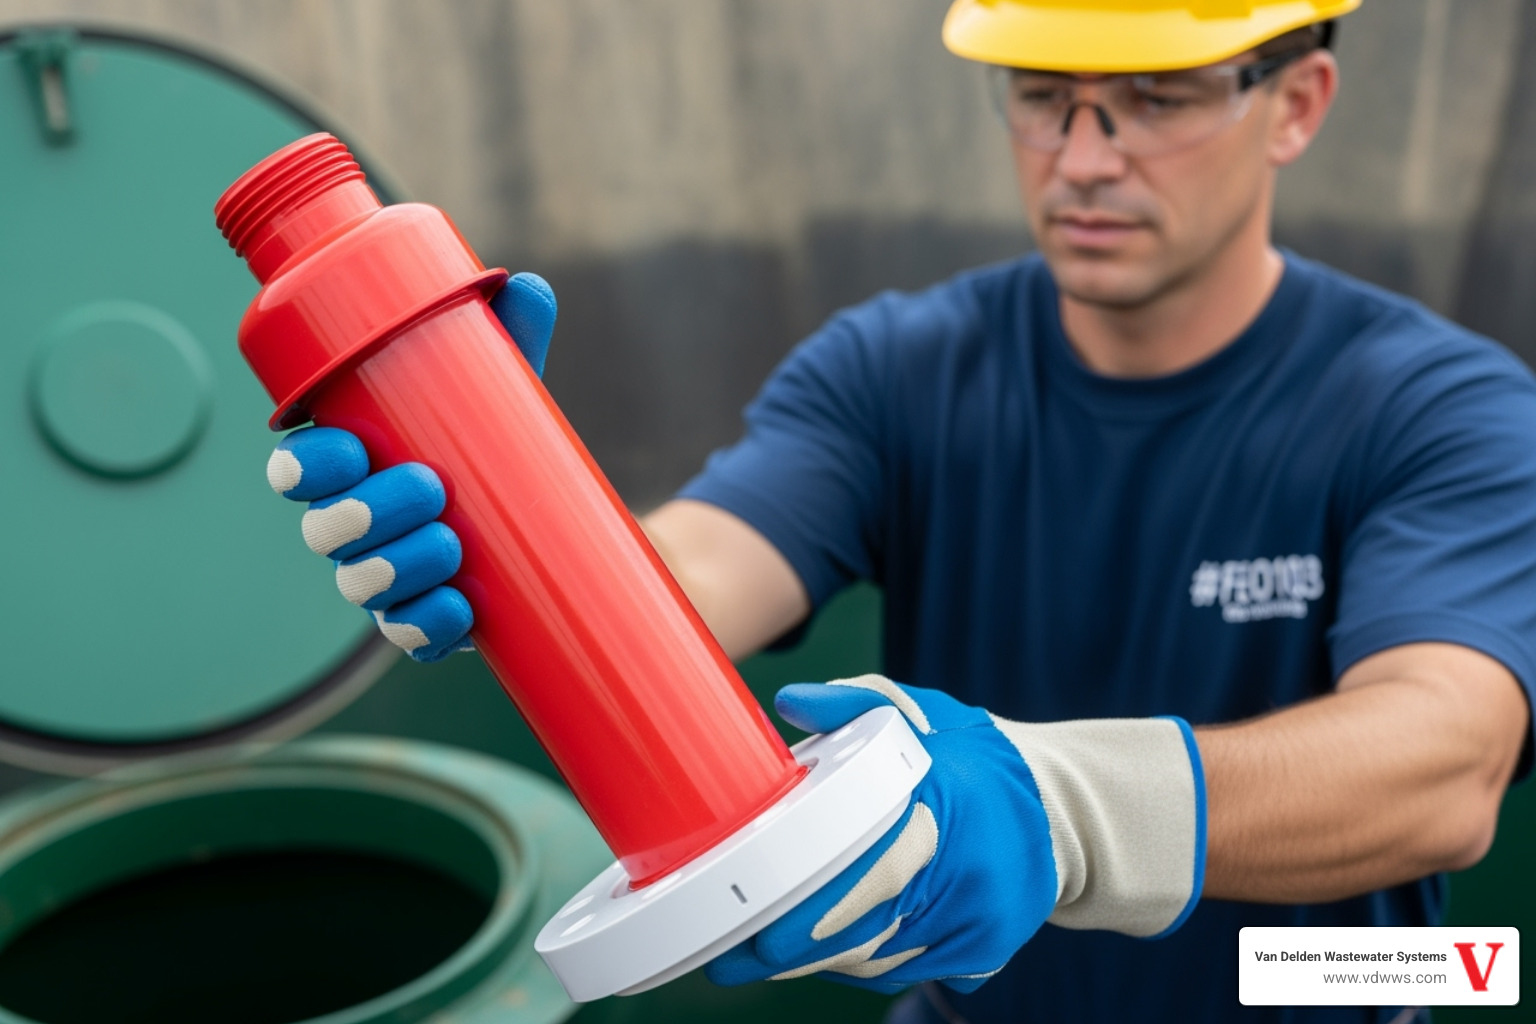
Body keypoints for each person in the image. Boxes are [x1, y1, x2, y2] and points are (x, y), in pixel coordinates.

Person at [266, 1, 1536, 1020]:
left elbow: (1445, 762)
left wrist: (1062, 805)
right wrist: (512, 519)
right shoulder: (898, 369)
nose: (1084, 155)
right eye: (1043, 96)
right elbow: (704, 569)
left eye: (1156, 97)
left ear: (1297, 102)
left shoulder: (1433, 405)